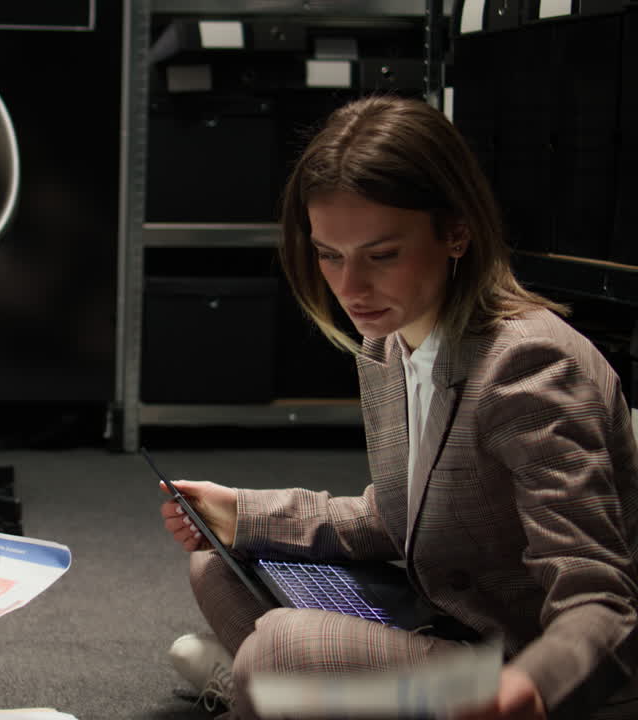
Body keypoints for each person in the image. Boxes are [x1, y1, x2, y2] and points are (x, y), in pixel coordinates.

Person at [159, 95, 638, 720]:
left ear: (457, 232)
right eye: (330, 254)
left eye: (381, 255)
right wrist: (241, 511)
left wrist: (533, 686)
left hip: (524, 671)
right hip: (448, 615)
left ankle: (267, 691)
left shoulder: (531, 367)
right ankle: (276, 695)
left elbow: (601, 603)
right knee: (219, 563)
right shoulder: (388, 341)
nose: (350, 289)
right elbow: (401, 519)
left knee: (278, 650)